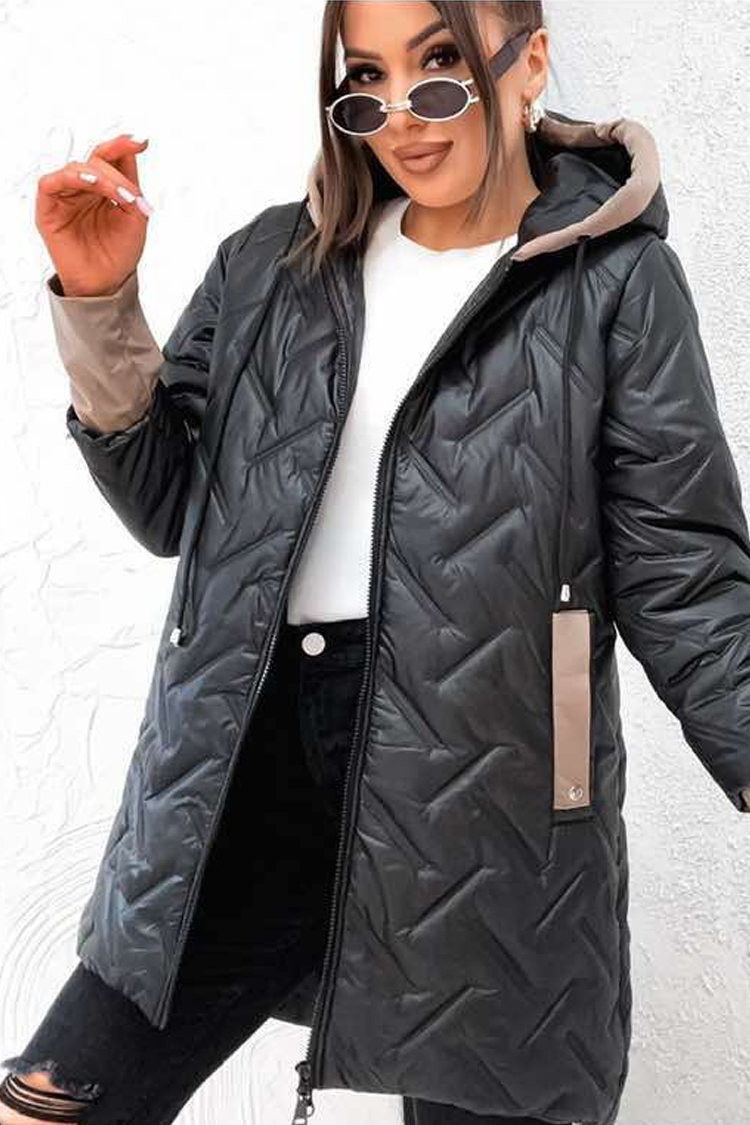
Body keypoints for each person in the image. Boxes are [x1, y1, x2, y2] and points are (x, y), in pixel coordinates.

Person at [3, 2, 750, 1125]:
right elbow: (171, 508)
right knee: (54, 1103)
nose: (402, 114)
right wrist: (102, 305)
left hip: (484, 811)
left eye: (440, 65)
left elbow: (685, 581)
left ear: (530, 64)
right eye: (367, 80)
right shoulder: (272, 267)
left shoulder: (612, 284)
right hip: (237, 782)